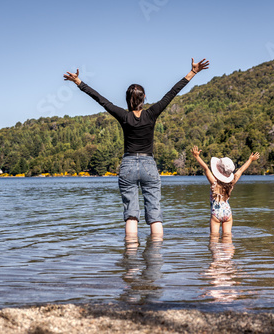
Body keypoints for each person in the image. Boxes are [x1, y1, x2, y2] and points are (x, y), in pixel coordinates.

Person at [63, 58, 210, 237]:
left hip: (128, 165)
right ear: (144, 98)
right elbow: (172, 92)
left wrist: (79, 82)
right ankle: (155, 259)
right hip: (148, 164)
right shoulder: (151, 114)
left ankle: (131, 261)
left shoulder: (123, 116)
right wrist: (193, 73)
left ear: (127, 99)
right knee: (155, 214)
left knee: (131, 215)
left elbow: (100, 99)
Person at [191, 146, 260, 235]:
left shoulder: (214, 183)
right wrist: (250, 160)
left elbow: (206, 169)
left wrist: (197, 156)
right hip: (228, 213)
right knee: (228, 238)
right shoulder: (232, 182)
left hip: (216, 214)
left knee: (214, 239)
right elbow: (241, 170)